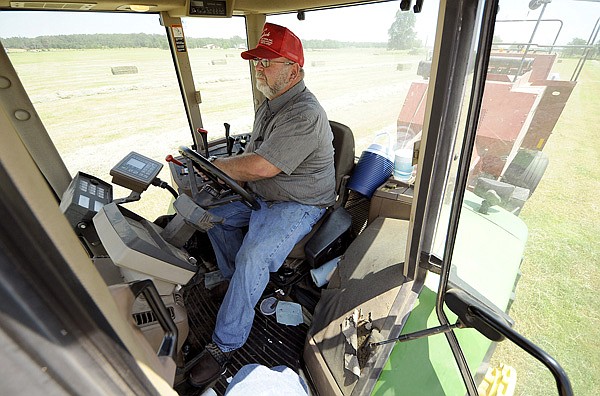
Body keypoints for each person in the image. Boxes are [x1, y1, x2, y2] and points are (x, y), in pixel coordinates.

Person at [188, 22, 336, 387]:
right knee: (213, 216)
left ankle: (224, 345)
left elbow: (261, 165)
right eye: (257, 61)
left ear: (294, 70)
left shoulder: (304, 113)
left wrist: (219, 167)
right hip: (268, 193)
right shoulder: (270, 104)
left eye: (267, 62)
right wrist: (223, 172)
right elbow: (255, 154)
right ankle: (232, 280)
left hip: (300, 202)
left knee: (254, 254)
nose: (259, 68)